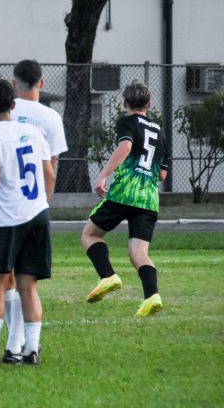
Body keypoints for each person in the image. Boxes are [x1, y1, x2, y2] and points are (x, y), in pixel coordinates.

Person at [0, 60, 67, 363]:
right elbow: (50, 171)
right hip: (37, 210)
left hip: (6, 213)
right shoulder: (41, 127)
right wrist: (43, 202)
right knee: (28, 285)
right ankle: (28, 349)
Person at [82, 81, 168, 317]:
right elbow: (162, 173)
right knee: (139, 252)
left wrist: (103, 176)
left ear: (125, 103)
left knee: (90, 234)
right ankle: (152, 296)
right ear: (149, 105)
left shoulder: (126, 122)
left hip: (124, 192)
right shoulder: (160, 131)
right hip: (149, 198)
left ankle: (107, 276)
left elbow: (126, 147)